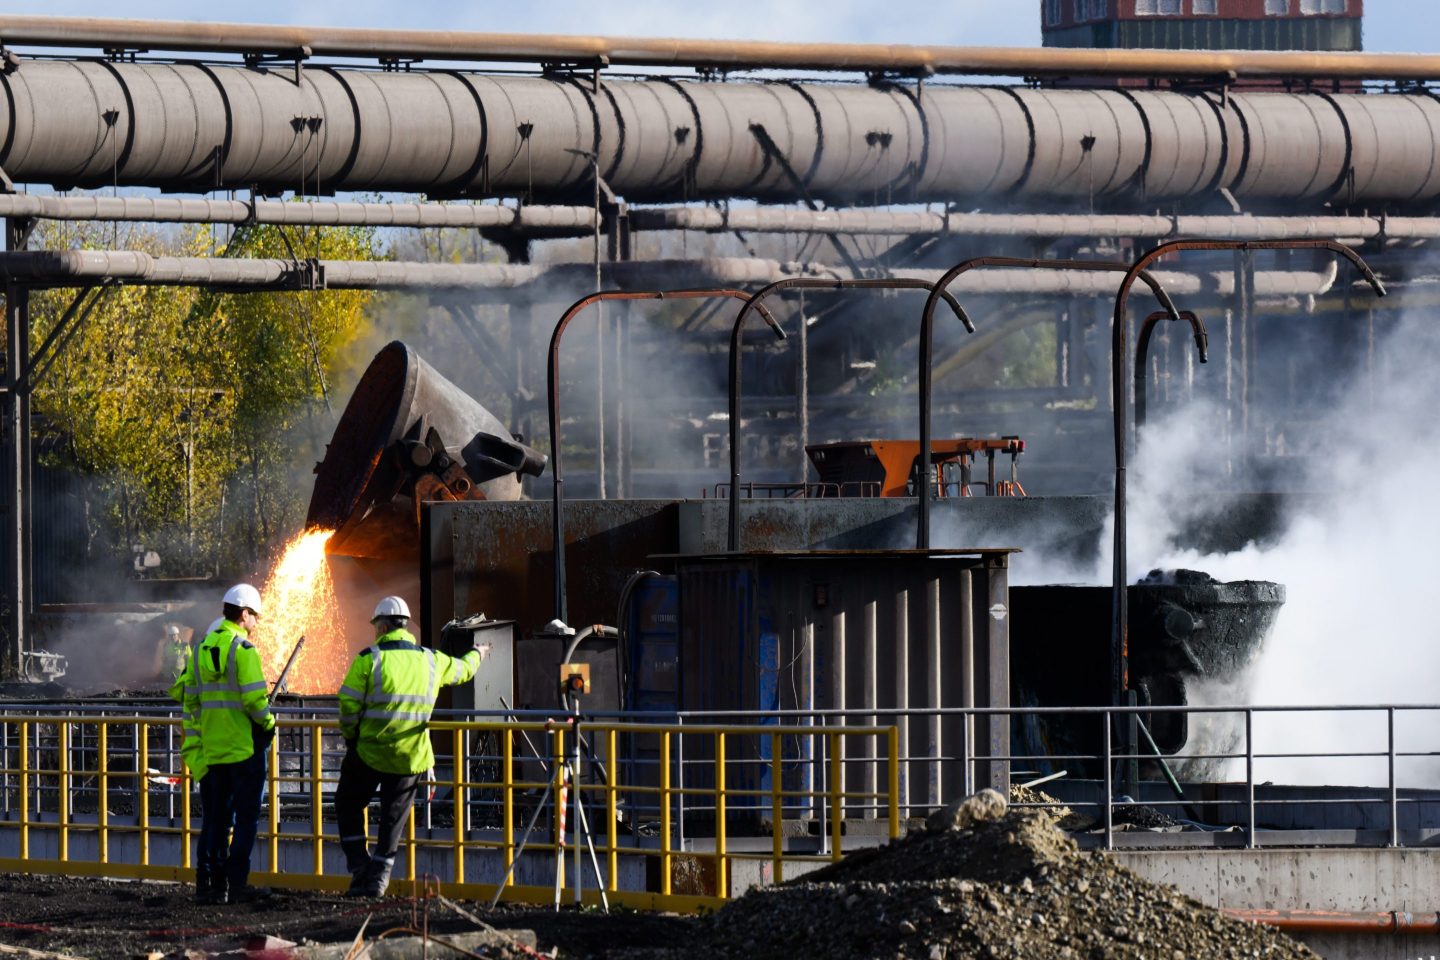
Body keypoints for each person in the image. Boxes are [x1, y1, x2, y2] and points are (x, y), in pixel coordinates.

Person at [336, 596, 481, 897]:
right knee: (392, 820)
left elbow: (347, 705)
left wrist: (351, 737)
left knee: (347, 804)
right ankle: (378, 880)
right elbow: (464, 670)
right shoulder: (432, 660)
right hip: (411, 757)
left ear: (383, 627)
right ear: (405, 626)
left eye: (376, 627)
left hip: (369, 753)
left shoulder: (369, 659)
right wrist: (478, 653)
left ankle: (359, 867)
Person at [181, 583, 276, 905]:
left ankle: (215, 886)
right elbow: (255, 701)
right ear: (244, 614)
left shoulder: (199, 650)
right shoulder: (244, 650)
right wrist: (269, 724)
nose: (256, 622)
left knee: (218, 822)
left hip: (213, 751)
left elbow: (192, 701)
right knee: (246, 821)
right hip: (244, 751)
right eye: (255, 616)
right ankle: (237, 885)